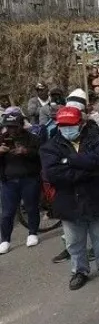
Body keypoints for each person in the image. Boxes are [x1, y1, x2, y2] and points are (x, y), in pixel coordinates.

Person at [41, 106, 99, 290]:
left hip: (97, 196)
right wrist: (87, 170)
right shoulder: (49, 147)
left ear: (81, 124)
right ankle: (79, 271)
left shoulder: (98, 139)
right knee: (74, 242)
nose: (67, 129)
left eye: (71, 125)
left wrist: (70, 161)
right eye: (63, 125)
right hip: (69, 201)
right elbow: (53, 174)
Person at [0, 108, 42, 254]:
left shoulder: (33, 138)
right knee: (7, 212)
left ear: (20, 125)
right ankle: (5, 239)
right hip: (8, 181)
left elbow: (40, 156)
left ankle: (32, 233)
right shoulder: (1, 138)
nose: (11, 130)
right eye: (8, 127)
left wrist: (26, 152)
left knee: (31, 208)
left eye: (14, 126)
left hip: (29, 178)